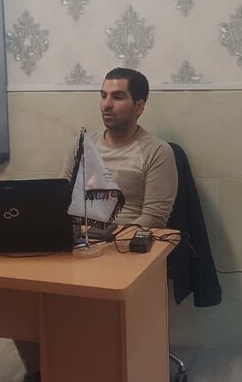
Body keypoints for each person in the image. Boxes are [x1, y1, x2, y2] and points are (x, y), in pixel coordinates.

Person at [17, 67, 178, 382]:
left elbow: (155, 217)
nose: (107, 104)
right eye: (103, 96)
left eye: (117, 97)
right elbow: (60, 197)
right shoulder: (84, 144)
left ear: (139, 106)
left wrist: (105, 240)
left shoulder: (157, 152)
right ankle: (39, 371)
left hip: (122, 250)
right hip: (76, 243)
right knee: (22, 293)